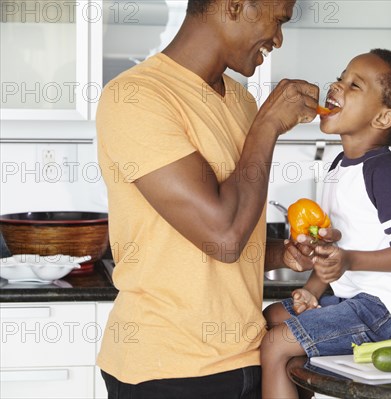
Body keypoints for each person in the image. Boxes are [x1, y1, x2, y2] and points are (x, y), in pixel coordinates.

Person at [95, 0, 338, 398]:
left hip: (249, 357)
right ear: (235, 6)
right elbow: (223, 235)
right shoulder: (135, 97)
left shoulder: (241, 103)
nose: (278, 39)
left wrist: (285, 254)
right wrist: (269, 124)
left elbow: (229, 238)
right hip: (167, 372)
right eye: (278, 21)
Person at [260, 49, 391, 399]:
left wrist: (349, 259)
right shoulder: (337, 168)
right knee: (270, 317)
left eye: (354, 85)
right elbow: (336, 253)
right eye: (341, 77)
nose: (336, 86)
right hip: (360, 301)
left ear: (382, 118)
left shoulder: (386, 173)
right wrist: (312, 291)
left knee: (277, 344)